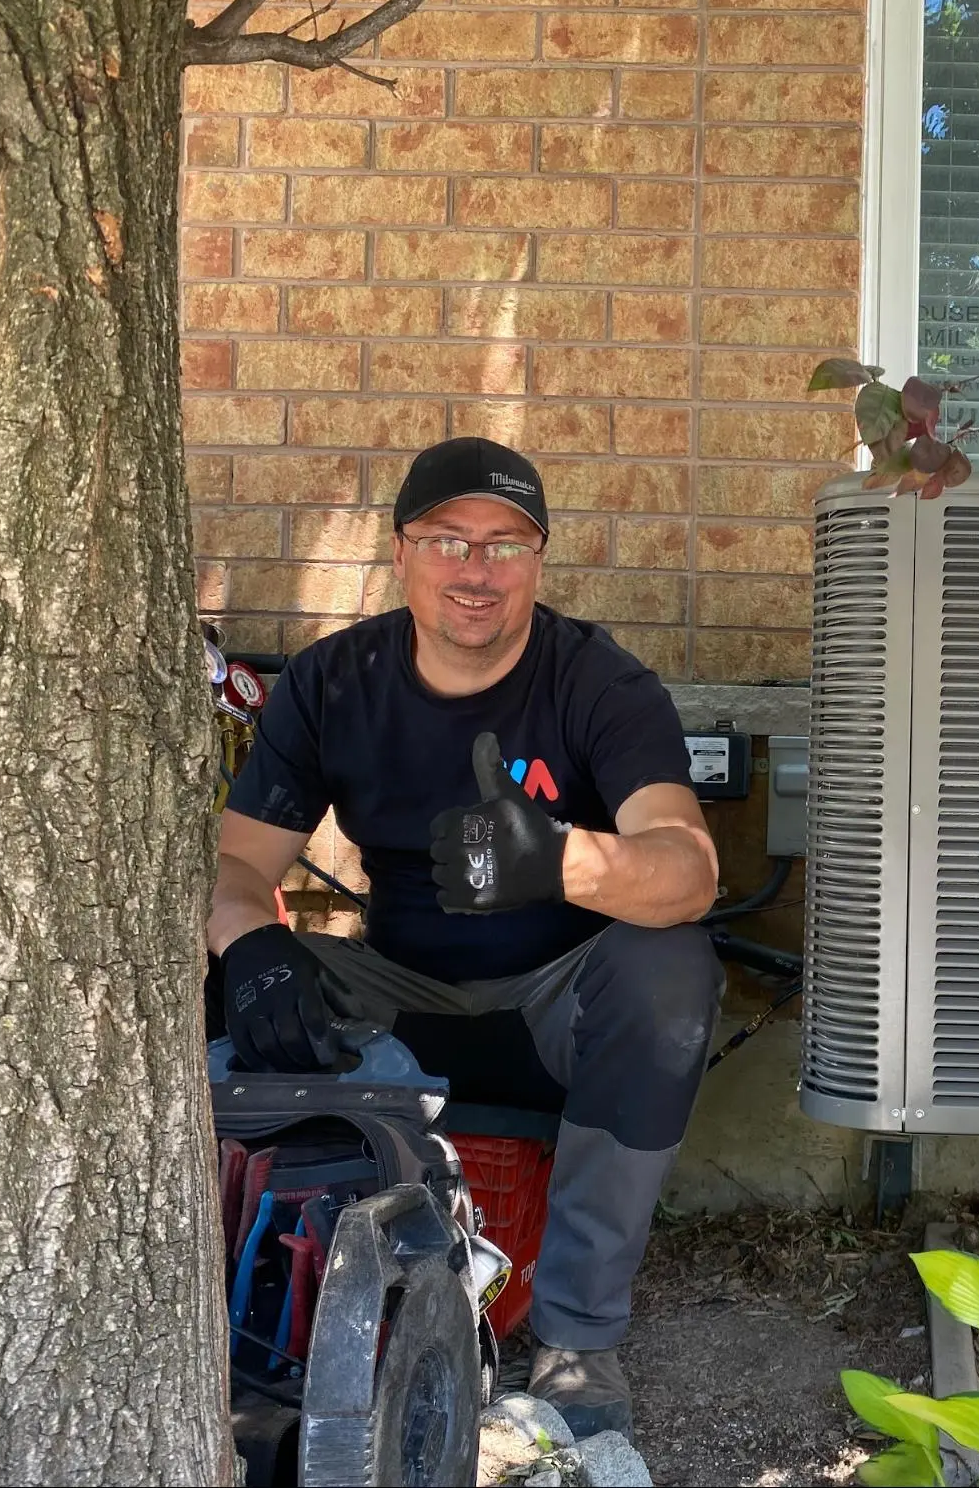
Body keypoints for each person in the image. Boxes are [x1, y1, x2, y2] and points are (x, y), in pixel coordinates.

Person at [206, 435, 723, 1441]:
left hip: (556, 1011)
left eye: (506, 545)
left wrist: (562, 860)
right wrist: (249, 941)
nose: (475, 570)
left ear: (538, 561)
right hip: (396, 1005)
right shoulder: (333, 684)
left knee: (668, 970)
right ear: (400, 552)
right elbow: (233, 872)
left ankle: (576, 1338)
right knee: (214, 975)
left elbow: (691, 870)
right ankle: (242, 1298)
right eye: (448, 539)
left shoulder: (598, 684)